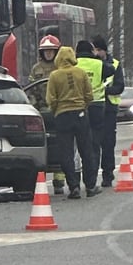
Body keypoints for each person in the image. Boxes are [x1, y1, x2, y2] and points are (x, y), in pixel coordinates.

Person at [45, 46, 99, 199]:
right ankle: (90, 186)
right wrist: (83, 107)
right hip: (80, 114)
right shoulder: (81, 73)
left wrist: (57, 111)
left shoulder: (54, 76)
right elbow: (89, 95)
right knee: (86, 151)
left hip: (62, 116)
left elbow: (51, 99)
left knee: (66, 153)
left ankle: (73, 187)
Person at [30, 34, 69, 194]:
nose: (48, 54)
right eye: (45, 51)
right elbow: (32, 89)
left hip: (58, 110)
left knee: (60, 145)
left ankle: (59, 180)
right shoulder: (36, 69)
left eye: (51, 51)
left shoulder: (61, 68)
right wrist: (33, 107)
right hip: (41, 111)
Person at [74, 39, 113, 193]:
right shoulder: (98, 64)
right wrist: (97, 58)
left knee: (79, 143)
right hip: (97, 106)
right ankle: (92, 179)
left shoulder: (74, 64)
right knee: (94, 144)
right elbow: (110, 70)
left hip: (78, 106)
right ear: (91, 51)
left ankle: (77, 180)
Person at [92, 35, 124, 187]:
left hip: (109, 108)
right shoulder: (91, 64)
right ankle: (91, 176)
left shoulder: (115, 64)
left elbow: (120, 86)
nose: (96, 53)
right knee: (92, 144)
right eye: (94, 50)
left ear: (104, 50)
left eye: (98, 50)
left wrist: (106, 91)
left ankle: (107, 175)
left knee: (108, 143)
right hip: (94, 107)